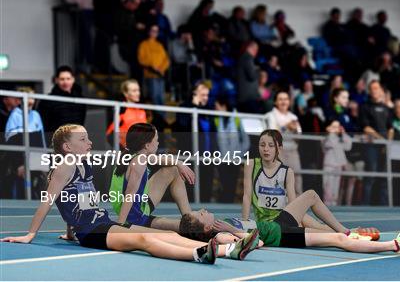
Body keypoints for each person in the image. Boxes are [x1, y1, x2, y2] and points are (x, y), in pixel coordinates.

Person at [1, 124, 260, 264]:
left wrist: (69, 232)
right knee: (144, 241)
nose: (90, 143)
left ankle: (229, 249)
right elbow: (48, 202)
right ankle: (200, 253)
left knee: (167, 234)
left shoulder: (83, 165)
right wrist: (31, 233)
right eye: (83, 140)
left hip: (101, 224)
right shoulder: (63, 167)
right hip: (94, 231)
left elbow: (75, 202)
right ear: (67, 147)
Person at [181, 190, 400, 255]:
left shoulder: (217, 225)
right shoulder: (220, 235)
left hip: (276, 223)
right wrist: (233, 230)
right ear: (206, 228)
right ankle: (394, 245)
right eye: (200, 213)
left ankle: (348, 231)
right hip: (283, 236)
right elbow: (257, 243)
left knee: (310, 195)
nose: (203, 209)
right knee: (337, 240)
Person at [110, 123, 195, 232]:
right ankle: (190, 221)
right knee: (188, 228)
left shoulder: (133, 154)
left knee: (174, 169)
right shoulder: (139, 162)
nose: (158, 142)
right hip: (136, 217)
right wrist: (120, 225)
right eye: (156, 139)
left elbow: (161, 159)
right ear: (147, 145)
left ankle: (189, 217)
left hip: (136, 207)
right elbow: (129, 195)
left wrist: (179, 163)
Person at [86, 0, 123, 73]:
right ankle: (99, 65)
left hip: (110, 13)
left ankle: (107, 65)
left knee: (108, 41)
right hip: (100, 12)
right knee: (100, 40)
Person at [359, 80, 394, 205]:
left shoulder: (387, 109)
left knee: (384, 176)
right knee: (370, 175)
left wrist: (388, 143)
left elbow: (390, 127)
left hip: (384, 147)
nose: (374, 90)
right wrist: (382, 140)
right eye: (372, 88)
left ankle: (384, 205)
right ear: (369, 91)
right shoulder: (365, 106)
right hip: (371, 146)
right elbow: (366, 127)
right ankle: (365, 204)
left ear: (381, 91)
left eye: (376, 88)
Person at [265, 91, 303, 195]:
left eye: (286, 99)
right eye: (280, 99)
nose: (283, 102)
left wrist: (295, 130)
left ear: (289, 102)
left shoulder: (293, 117)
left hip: (293, 151)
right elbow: (272, 135)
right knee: (278, 180)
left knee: (297, 180)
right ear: (275, 102)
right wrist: (286, 127)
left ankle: (298, 206)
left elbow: (300, 136)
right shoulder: (270, 115)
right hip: (278, 152)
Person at [214, 97, 251, 203]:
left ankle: (227, 209)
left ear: (224, 106)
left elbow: (245, 139)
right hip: (222, 159)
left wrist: (239, 154)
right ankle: (222, 207)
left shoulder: (236, 118)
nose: (215, 109)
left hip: (235, 159)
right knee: (224, 184)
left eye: (217, 106)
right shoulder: (216, 119)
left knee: (232, 185)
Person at [37, 66, 86, 142]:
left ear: (73, 80)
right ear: (56, 80)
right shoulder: (47, 101)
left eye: (68, 79)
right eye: (62, 79)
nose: (65, 82)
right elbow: (42, 126)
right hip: (56, 143)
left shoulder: (81, 99)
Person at [64, 0, 94, 72]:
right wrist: (77, 4)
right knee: (83, 37)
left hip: (89, 10)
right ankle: (82, 63)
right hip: (79, 11)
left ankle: (88, 62)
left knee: (89, 38)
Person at [106, 79, 147, 148]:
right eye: (134, 91)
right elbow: (110, 133)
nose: (138, 93)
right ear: (125, 93)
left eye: (138, 90)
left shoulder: (142, 110)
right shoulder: (121, 109)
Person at [138, 25, 170, 107]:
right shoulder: (144, 44)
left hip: (160, 75)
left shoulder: (159, 45)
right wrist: (152, 66)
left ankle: (162, 118)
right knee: (154, 98)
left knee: (161, 98)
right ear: (148, 32)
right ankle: (157, 118)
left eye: (156, 31)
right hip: (150, 75)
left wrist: (161, 68)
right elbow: (141, 59)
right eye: (153, 30)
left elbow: (166, 59)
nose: (154, 33)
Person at [322, 119, 352, 206]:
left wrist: (344, 133)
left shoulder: (340, 138)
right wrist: (331, 132)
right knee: (328, 189)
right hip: (329, 166)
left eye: (338, 127)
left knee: (335, 189)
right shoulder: (325, 138)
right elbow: (331, 143)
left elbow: (348, 146)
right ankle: (327, 207)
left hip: (338, 166)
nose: (336, 129)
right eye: (334, 126)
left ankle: (334, 206)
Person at [115, 0, 146, 81]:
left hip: (134, 45)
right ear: (129, 2)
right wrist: (135, 26)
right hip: (125, 44)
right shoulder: (119, 12)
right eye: (135, 4)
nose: (136, 7)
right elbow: (120, 28)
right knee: (133, 68)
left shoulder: (132, 13)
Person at [236, 41, 261, 113]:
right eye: (254, 49)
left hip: (245, 97)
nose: (256, 51)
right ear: (249, 48)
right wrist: (258, 70)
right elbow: (252, 76)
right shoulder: (248, 58)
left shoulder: (243, 58)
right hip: (249, 97)